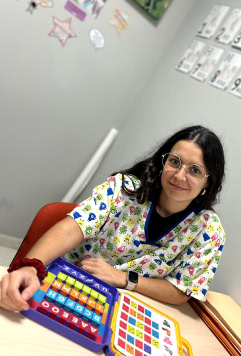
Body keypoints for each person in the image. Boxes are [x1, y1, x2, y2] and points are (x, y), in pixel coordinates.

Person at [0, 125, 226, 311]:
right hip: (67, 285)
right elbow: (74, 227)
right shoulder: (123, 190)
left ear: (209, 181)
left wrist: (123, 278)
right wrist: (31, 266)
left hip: (124, 308)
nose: (179, 175)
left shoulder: (208, 231)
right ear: (163, 162)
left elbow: (181, 290)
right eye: (175, 162)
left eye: (195, 170)